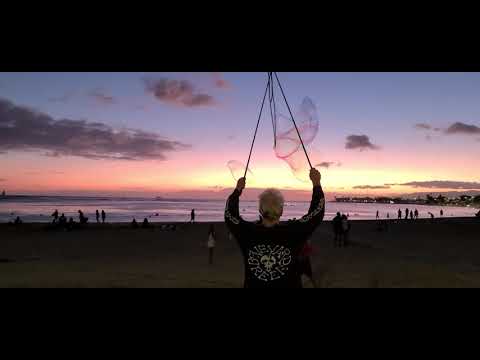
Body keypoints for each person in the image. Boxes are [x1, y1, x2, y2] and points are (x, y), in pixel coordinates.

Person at [225, 168, 325, 288]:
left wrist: (237, 190)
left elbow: (229, 214)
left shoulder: (246, 231)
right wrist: (316, 184)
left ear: (260, 210)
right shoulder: (294, 231)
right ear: (281, 211)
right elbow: (317, 213)